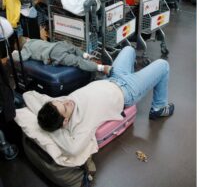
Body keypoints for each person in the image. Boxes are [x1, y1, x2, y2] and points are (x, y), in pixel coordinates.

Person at [36, 46, 174, 155]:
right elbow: (73, 149)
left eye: (60, 101)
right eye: (65, 107)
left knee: (129, 49)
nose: (67, 101)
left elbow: (30, 96)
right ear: (65, 121)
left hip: (113, 77)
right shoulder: (82, 125)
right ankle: (158, 108)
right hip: (128, 91)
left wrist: (53, 115)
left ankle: (138, 77)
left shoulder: (60, 104)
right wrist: (55, 133)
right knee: (163, 65)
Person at [11, 38, 111, 75]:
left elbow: (20, 57)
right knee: (75, 49)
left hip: (54, 53)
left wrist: (13, 53)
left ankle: (102, 68)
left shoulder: (26, 48)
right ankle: (86, 55)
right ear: (27, 39)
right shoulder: (34, 40)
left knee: (77, 61)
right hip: (59, 44)